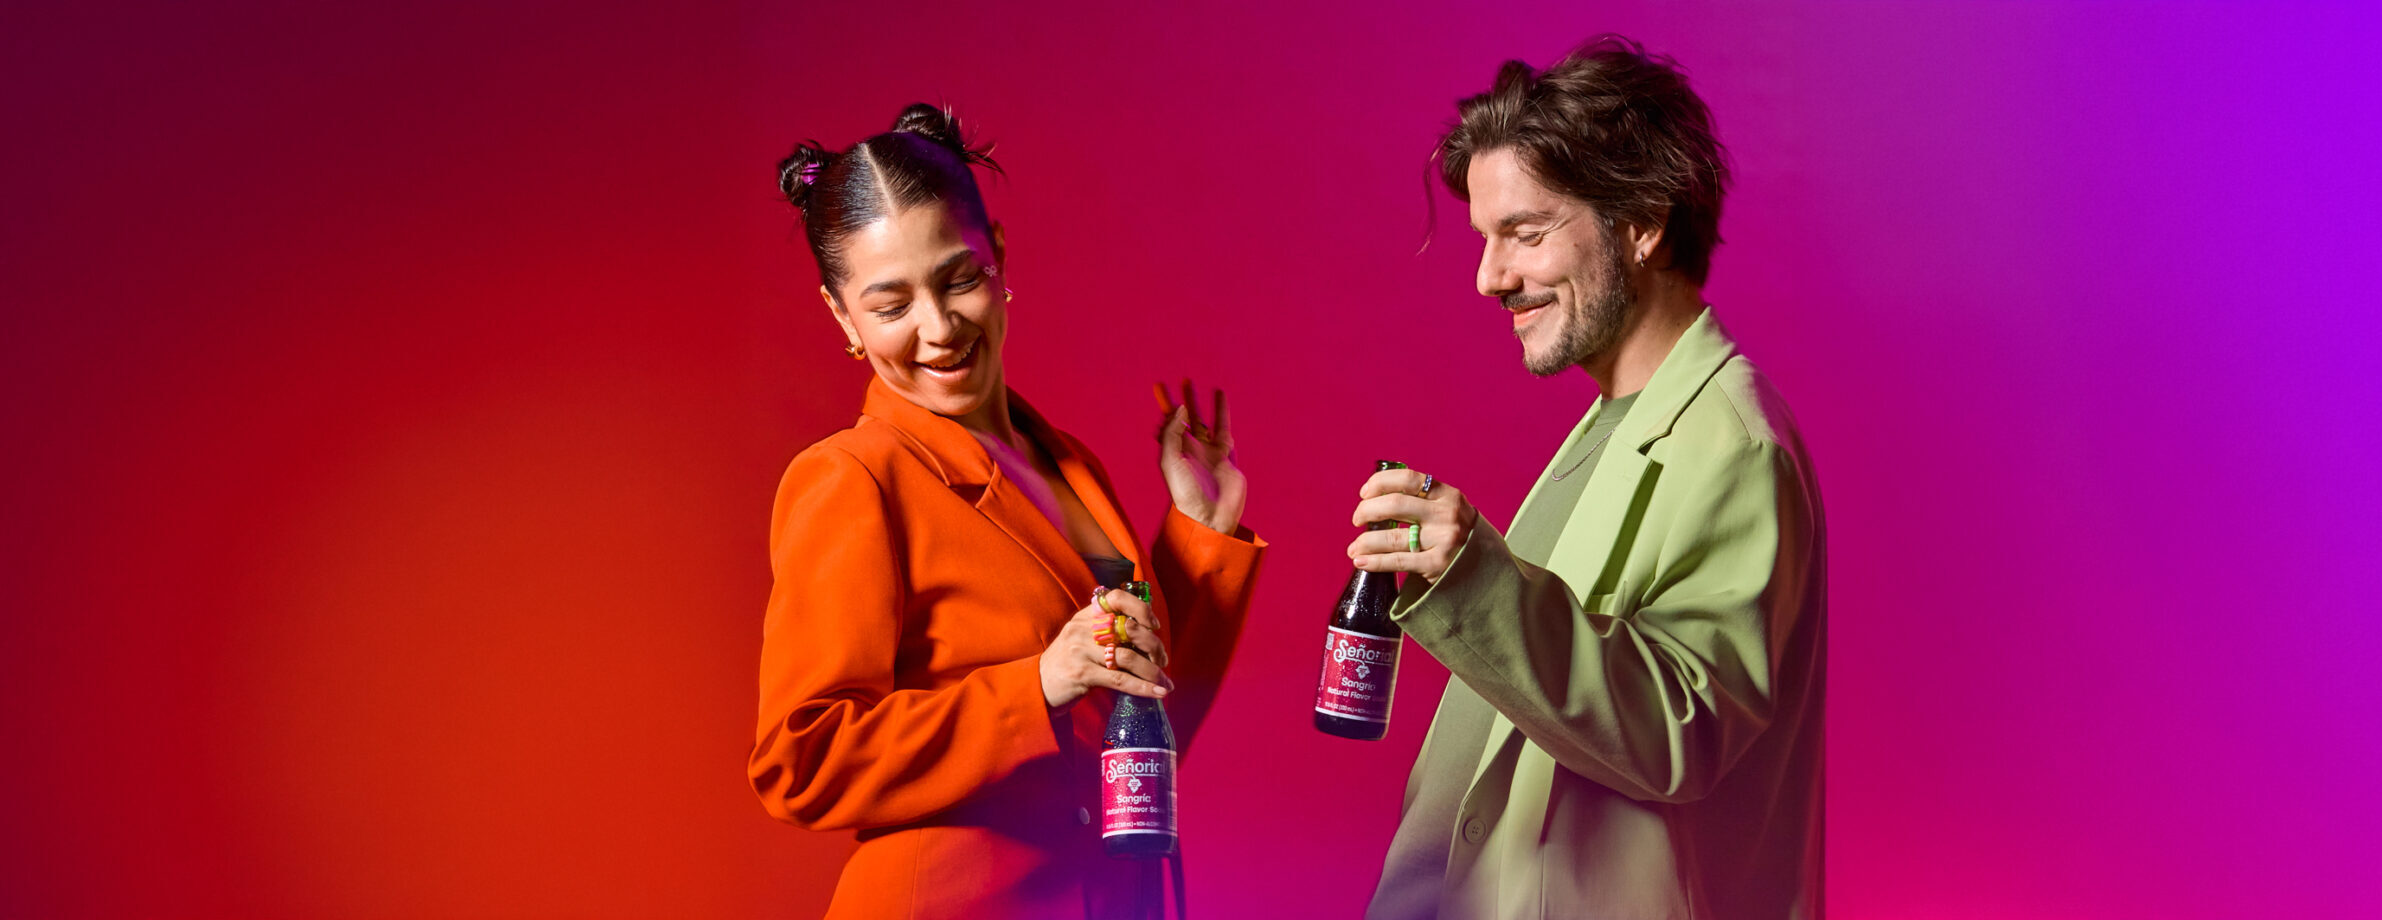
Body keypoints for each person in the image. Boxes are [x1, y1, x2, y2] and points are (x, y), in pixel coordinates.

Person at [1349, 37, 1827, 919]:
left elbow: (1682, 730)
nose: (1489, 277)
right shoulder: (1615, 423)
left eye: (1523, 235)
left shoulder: (1733, 444)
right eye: (1485, 241)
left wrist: (1475, 579)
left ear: (1642, 224)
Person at [749, 103, 1264, 920]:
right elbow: (803, 761)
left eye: (959, 279)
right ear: (843, 316)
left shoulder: (1063, 460)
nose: (940, 327)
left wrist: (1200, 531)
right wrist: (1035, 687)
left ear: (1000, 260)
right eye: (891, 305)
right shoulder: (850, 477)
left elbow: (1140, 734)